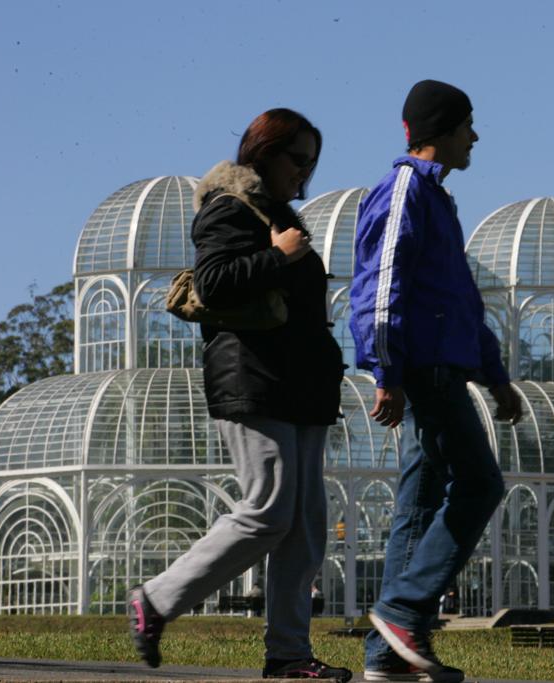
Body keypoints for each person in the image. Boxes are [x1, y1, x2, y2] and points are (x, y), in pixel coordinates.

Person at [126, 108, 352, 682]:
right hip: (253, 380)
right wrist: (280, 256)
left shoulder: (279, 214)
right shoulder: (230, 207)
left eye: (312, 163)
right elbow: (215, 282)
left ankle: (288, 655)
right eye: (298, 160)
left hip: (299, 385)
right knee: (268, 511)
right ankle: (155, 599)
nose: (305, 174)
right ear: (264, 154)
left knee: (304, 524)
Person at [349, 79, 522, 683]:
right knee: (481, 483)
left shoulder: (439, 202)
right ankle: (402, 608)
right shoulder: (404, 191)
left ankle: (386, 656)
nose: (475, 136)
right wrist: (386, 371)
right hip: (424, 372)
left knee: (420, 503)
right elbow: (377, 285)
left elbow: (463, 303)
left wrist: (496, 376)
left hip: (439, 369)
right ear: (442, 130)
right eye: (468, 124)